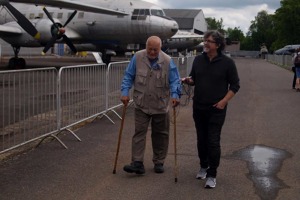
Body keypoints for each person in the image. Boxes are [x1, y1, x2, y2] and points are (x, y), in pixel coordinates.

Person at [182, 30, 240, 188]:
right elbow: (194, 78)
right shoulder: (198, 60)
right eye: (205, 40)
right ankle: (203, 166)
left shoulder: (227, 63)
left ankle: (212, 174)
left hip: (217, 108)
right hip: (199, 106)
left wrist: (223, 102)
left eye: (209, 41)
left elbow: (235, 85)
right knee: (201, 140)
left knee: (213, 141)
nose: (205, 43)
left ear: (218, 44)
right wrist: (188, 80)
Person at [120, 36, 181, 174]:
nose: (152, 52)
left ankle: (159, 162)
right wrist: (125, 92)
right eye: (150, 49)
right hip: (141, 104)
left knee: (160, 135)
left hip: (160, 105)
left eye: (155, 49)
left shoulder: (167, 61)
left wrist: (175, 95)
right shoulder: (137, 57)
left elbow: (175, 81)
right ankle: (137, 162)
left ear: (160, 48)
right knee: (139, 133)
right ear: (146, 46)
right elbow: (128, 76)